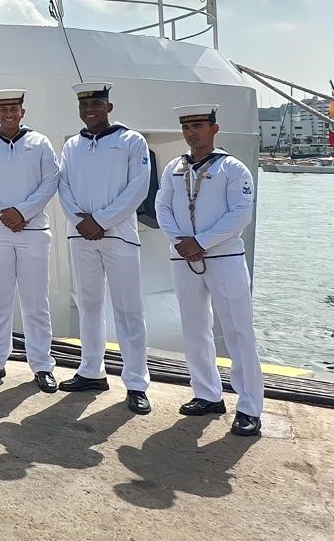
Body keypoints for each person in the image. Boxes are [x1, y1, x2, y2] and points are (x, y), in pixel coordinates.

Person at [156, 104, 263, 436]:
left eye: (199, 125)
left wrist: (200, 241)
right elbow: (162, 204)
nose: (192, 132)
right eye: (187, 127)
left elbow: (240, 214)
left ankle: (249, 406)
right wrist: (179, 240)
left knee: (238, 331)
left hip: (223, 257)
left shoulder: (233, 168)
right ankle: (206, 393)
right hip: (184, 257)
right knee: (194, 327)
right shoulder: (175, 167)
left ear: (214, 129)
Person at [56, 83, 152, 415]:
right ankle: (91, 371)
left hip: (119, 236)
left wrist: (101, 220)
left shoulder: (131, 141)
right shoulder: (71, 146)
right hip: (80, 235)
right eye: (84, 106)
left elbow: (137, 188)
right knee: (89, 305)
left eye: (96, 104)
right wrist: (81, 221)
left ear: (109, 107)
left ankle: (137, 382)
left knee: (128, 311)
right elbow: (63, 186)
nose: (90, 111)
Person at [0, 89, 61, 392]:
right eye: (3, 108)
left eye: (14, 108)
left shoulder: (39, 142)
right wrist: (1, 212)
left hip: (33, 231)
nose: (8, 114)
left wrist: (23, 212)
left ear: (23, 111)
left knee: (35, 302)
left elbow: (51, 180)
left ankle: (42, 365)